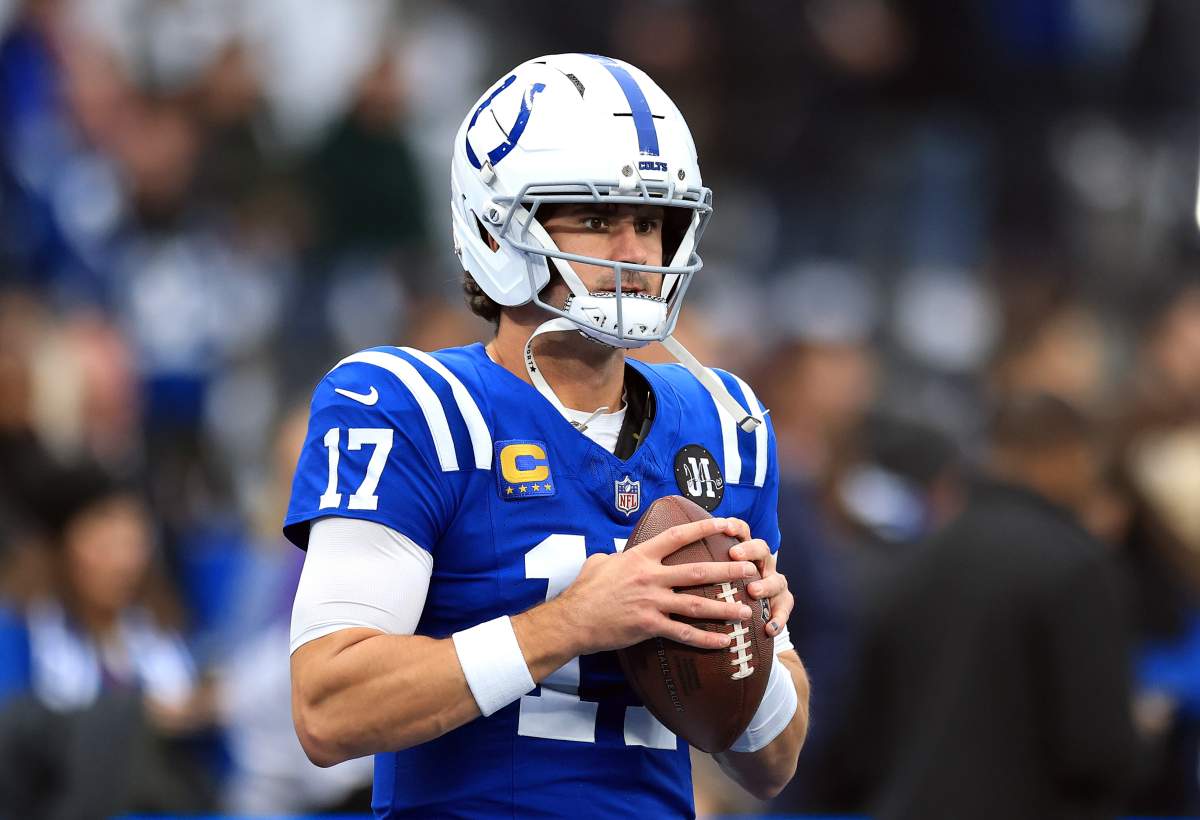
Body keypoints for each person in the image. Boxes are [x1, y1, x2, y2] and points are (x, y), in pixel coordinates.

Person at [285, 54, 809, 818]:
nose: (634, 253)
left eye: (650, 222)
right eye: (596, 219)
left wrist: (750, 648)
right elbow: (328, 708)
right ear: (495, 227)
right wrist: (570, 622)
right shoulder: (412, 408)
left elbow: (774, 765)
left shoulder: (723, 424)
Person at [836, 393, 1135, 820]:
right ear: (1065, 454)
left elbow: (860, 735)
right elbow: (1097, 748)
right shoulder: (1075, 563)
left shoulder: (916, 558)